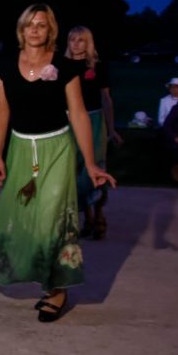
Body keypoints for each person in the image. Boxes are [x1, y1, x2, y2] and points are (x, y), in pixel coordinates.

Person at [0, 4, 116, 323]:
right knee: (25, 218)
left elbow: (78, 114)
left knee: (53, 218)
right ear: (21, 29)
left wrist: (91, 163)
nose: (35, 30)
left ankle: (57, 289)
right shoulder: (6, 67)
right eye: (30, 24)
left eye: (42, 24)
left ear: (50, 30)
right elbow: (2, 111)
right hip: (20, 150)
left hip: (57, 149)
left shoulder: (65, 68)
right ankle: (38, 272)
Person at [65, 26, 122, 239]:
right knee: (73, 171)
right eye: (72, 40)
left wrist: (111, 128)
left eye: (81, 40)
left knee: (95, 167)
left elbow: (106, 99)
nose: (76, 44)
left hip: (94, 120)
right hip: (69, 122)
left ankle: (99, 215)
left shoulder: (97, 66)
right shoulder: (62, 66)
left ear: (88, 42)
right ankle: (86, 216)